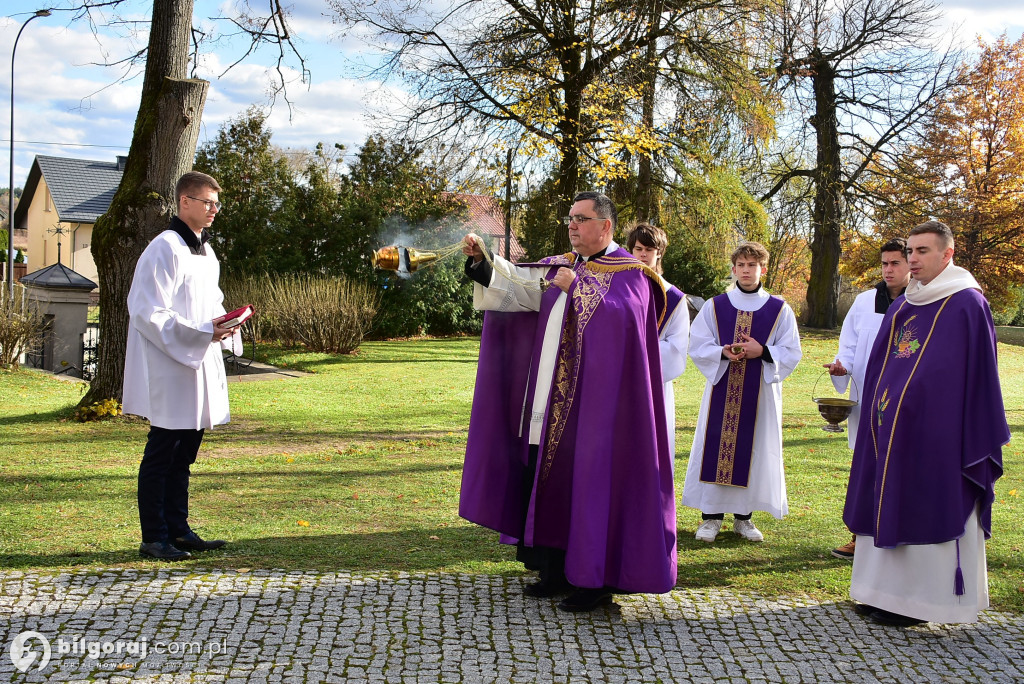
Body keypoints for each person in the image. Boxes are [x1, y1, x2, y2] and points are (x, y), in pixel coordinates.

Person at [459, 192, 677, 613]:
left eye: (581, 218)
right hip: (549, 399)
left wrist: (576, 288)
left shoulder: (631, 274)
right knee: (548, 476)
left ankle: (594, 582)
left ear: (606, 227)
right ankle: (553, 570)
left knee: (589, 485)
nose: (573, 225)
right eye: (570, 218)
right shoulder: (564, 264)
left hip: (596, 411)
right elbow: (522, 289)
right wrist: (483, 263)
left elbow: (624, 320)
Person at [844, 220, 1007, 627]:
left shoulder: (968, 303)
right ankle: (879, 592)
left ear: (947, 254)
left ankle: (923, 603)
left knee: (927, 503)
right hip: (890, 427)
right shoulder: (902, 304)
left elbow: (980, 373)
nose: (913, 260)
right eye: (911, 251)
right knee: (885, 500)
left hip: (941, 434)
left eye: (923, 252)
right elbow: (883, 365)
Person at [123, 171, 237, 561]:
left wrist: (225, 322)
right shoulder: (164, 247)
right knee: (163, 451)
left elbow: (211, 301)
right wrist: (201, 331)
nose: (213, 210)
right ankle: (153, 536)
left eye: (216, 204)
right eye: (207, 202)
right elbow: (146, 311)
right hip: (169, 365)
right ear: (184, 201)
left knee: (186, 450)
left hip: (198, 360)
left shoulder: (205, 251)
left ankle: (179, 529)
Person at [682, 241, 802, 543]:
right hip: (721, 389)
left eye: (753, 265)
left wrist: (762, 351)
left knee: (753, 451)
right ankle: (710, 518)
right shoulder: (715, 306)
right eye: (741, 265)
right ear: (734, 269)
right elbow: (697, 344)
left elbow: (792, 351)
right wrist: (722, 352)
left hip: (758, 394)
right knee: (715, 445)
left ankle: (744, 518)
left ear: (763, 268)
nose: (746, 271)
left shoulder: (779, 309)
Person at [824, 238, 911, 560]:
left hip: (904, 401)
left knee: (901, 468)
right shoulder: (863, 302)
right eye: (885, 263)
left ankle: (899, 535)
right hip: (868, 396)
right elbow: (847, 346)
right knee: (866, 469)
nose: (888, 270)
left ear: (909, 263)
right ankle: (859, 536)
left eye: (895, 263)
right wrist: (840, 367)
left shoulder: (921, 301)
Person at [626, 224, 690, 470]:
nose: (642, 255)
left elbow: (676, 348)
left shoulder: (673, 297)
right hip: (612, 381)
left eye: (649, 250)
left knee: (648, 453)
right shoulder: (613, 288)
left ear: (659, 253)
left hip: (652, 383)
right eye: (638, 248)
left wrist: (636, 350)